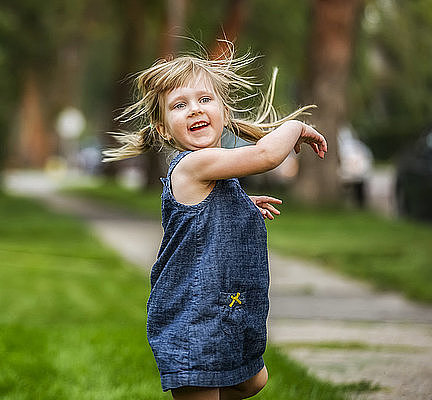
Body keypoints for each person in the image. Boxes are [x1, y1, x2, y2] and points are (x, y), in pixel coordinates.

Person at [102, 45, 327, 400]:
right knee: (216, 383)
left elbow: (201, 214)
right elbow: (265, 155)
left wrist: (240, 205)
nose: (194, 109)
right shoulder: (194, 165)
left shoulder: (213, 174)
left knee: (252, 379)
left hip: (220, 309)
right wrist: (295, 126)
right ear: (163, 128)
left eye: (204, 99)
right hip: (195, 316)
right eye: (179, 105)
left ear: (223, 110)